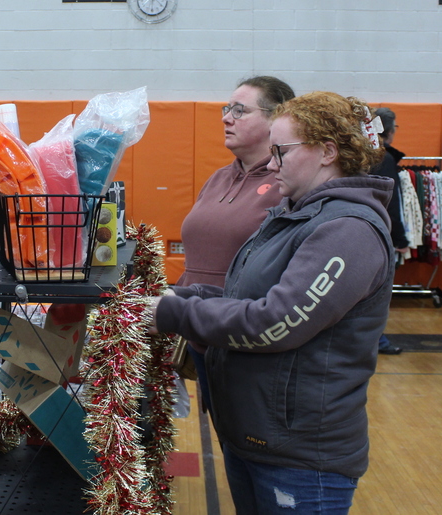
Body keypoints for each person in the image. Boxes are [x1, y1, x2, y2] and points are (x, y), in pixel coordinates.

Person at [153, 91, 395, 515]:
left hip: (299, 454)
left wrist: (173, 312)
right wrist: (180, 295)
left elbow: (276, 321)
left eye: (281, 151)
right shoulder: (295, 214)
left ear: (327, 152)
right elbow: (244, 297)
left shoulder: (348, 230)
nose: (272, 162)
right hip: (256, 435)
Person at [177, 75, 294, 411]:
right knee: (228, 446)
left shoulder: (287, 184)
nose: (227, 118)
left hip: (250, 346)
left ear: (276, 119)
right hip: (201, 339)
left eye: (240, 111)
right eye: (227, 109)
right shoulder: (218, 178)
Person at [370, 107, 409, 355]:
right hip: (377, 232)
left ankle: (376, 339)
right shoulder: (383, 158)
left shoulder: (362, 154)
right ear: (389, 130)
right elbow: (390, 200)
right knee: (377, 290)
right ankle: (378, 340)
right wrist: (400, 238)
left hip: (364, 228)